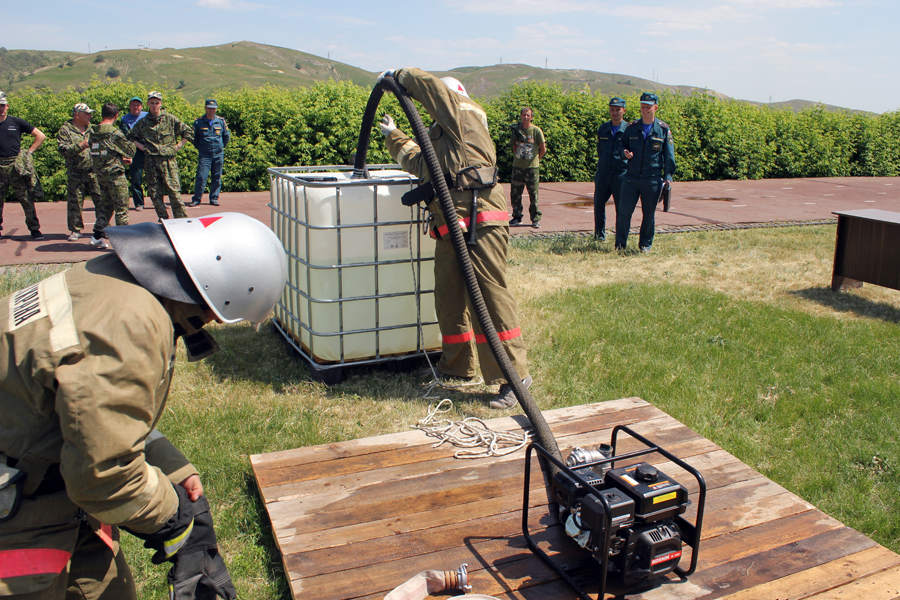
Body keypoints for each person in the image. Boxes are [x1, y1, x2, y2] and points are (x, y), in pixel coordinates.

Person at [0, 212, 288, 599]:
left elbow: (94, 416)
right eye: (217, 316)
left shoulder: (109, 278)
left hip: (45, 488)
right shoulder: (127, 324)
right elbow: (104, 477)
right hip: (19, 521)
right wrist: (178, 523)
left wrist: (172, 468)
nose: (210, 324)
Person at [377, 68, 531, 409]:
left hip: (480, 221)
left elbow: (433, 90)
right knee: (448, 295)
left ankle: (512, 376)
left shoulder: (464, 113)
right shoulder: (444, 137)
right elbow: (420, 162)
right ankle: (457, 366)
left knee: (488, 297)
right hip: (451, 226)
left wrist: (401, 75)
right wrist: (394, 136)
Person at [617, 93, 676, 252]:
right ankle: (620, 245)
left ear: (655, 108)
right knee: (624, 213)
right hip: (631, 178)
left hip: (652, 179)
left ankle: (645, 245)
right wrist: (625, 153)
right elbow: (621, 146)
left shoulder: (663, 129)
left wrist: (668, 176)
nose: (645, 110)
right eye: (643, 106)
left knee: (649, 215)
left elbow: (669, 155)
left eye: (648, 107)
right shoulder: (631, 128)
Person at [126, 91, 192, 220]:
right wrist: (143, 147)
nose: (155, 105)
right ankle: (163, 219)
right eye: (152, 103)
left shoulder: (170, 119)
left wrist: (178, 146)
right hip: (151, 161)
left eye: (157, 103)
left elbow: (188, 132)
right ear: (148, 104)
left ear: (161, 104)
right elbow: (130, 136)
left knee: (174, 191)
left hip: (168, 161)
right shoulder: (143, 122)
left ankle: (181, 220)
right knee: (155, 193)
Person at [88, 103, 136, 249]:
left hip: (101, 174)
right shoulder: (114, 133)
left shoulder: (93, 132)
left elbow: (104, 150)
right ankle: (124, 242)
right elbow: (130, 150)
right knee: (122, 209)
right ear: (116, 116)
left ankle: (96, 236)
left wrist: (119, 157)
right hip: (115, 175)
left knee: (107, 207)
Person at [0, 91, 45, 240]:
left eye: (2, 106)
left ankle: (34, 229)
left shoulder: (16, 122)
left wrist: (29, 153)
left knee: (26, 199)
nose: (0, 108)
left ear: (7, 106)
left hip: (16, 166)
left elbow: (40, 135)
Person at [57, 103, 101, 242]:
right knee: (75, 202)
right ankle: (76, 230)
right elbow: (62, 149)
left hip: (94, 171)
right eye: (87, 113)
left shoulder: (93, 129)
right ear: (77, 115)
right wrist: (80, 145)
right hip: (76, 172)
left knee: (101, 200)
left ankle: (102, 228)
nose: (90, 116)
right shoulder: (65, 130)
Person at [593, 97, 629, 241]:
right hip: (603, 174)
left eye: (618, 110)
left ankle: (620, 238)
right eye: (612, 109)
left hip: (621, 174)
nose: (614, 112)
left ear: (623, 111)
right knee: (598, 206)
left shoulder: (629, 129)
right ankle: (599, 237)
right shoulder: (603, 128)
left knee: (621, 209)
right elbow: (600, 150)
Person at [188, 99, 230, 207]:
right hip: (204, 154)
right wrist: (201, 147)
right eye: (209, 108)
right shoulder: (198, 122)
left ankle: (214, 198)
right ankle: (197, 199)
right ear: (205, 108)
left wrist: (221, 146)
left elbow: (226, 136)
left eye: (214, 108)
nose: (212, 110)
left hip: (218, 153)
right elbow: (193, 138)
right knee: (201, 177)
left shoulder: (221, 121)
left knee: (217, 176)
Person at [508, 107, 546, 229]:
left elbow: (543, 149)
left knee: (533, 194)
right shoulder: (516, 130)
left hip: (532, 168)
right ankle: (517, 216)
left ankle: (535, 218)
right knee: (515, 193)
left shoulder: (536, 131)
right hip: (518, 167)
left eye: (528, 115)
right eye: (524, 115)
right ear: (521, 116)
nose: (526, 117)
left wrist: (535, 160)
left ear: (531, 117)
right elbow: (514, 147)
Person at [119, 96, 147, 211]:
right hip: (135, 151)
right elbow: (126, 136)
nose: (136, 107)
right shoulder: (124, 119)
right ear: (130, 106)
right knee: (136, 178)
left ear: (142, 106)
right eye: (134, 105)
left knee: (155, 177)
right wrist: (139, 146)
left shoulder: (147, 116)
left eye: (138, 105)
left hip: (149, 149)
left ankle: (158, 201)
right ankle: (139, 203)